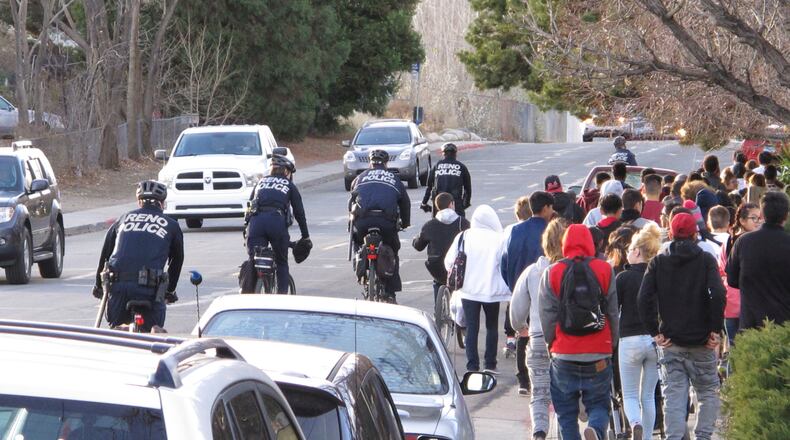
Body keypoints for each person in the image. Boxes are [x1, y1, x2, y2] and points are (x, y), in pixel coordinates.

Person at [638, 213, 726, 440]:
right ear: (695, 233)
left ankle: (674, 437)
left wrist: (654, 332)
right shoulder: (705, 260)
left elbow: (643, 298)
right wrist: (715, 330)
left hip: (671, 340)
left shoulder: (659, 261)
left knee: (674, 395)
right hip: (703, 340)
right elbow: (718, 293)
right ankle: (703, 436)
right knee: (707, 392)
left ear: (670, 231)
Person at [539, 224, 619, 440]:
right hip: (598, 352)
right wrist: (611, 345)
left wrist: (551, 342)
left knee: (566, 413)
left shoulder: (552, 272)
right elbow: (612, 311)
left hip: (564, 353)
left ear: (564, 244)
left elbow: (547, 314)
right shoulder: (604, 269)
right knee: (599, 404)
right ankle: (595, 429)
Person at [93, 181, 183, 331]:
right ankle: (153, 334)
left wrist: (98, 287)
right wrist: (169, 291)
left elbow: (105, 256)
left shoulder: (123, 219)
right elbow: (177, 260)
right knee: (154, 331)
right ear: (162, 203)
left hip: (118, 287)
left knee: (115, 329)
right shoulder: (171, 225)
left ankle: (118, 332)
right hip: (150, 289)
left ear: (139, 202)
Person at [510, 218, 569, 439]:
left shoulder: (532, 272)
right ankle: (564, 431)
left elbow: (516, 309)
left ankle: (539, 432)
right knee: (564, 393)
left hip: (536, 337)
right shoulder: (570, 271)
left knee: (540, 392)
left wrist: (521, 327)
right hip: (564, 342)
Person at [445, 205, 510, 373]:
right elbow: (504, 264)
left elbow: (449, 261)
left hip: (468, 290)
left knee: (472, 327)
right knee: (491, 326)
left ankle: (472, 365)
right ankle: (490, 364)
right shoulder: (499, 239)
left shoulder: (464, 236)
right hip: (491, 291)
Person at [501, 191, 553, 380]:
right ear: (546, 208)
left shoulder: (516, 230)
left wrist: (512, 285)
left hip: (519, 284)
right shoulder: (550, 230)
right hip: (544, 286)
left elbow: (504, 261)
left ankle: (523, 378)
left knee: (523, 331)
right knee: (540, 330)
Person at [616, 224, 661, 440]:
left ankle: (635, 424)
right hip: (654, 339)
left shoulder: (623, 278)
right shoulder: (658, 276)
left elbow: (613, 310)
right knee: (648, 395)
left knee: (630, 394)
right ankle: (648, 437)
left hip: (629, 339)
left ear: (636, 251)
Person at [350, 149, 410, 302]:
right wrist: (405, 222)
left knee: (357, 242)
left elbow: (352, 201)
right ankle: (390, 292)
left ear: (370, 162)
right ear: (386, 163)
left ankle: (360, 268)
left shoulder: (359, 178)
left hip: (363, 221)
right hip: (386, 222)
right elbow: (405, 203)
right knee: (393, 249)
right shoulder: (394, 179)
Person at [245, 156, 310, 294]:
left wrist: (246, 227)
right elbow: (299, 212)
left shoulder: (261, 182)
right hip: (276, 221)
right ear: (287, 172)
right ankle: (281, 298)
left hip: (256, 223)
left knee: (254, 259)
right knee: (281, 262)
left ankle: (247, 294)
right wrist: (305, 236)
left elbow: (250, 205)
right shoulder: (289, 185)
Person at [727, 192, 790, 330]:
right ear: (786, 215)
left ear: (762, 215)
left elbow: (731, 279)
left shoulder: (743, 241)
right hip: (784, 326)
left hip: (751, 322)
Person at [412, 192, 470, 305]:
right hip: (456, 266)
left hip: (436, 266)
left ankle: (437, 309)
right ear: (451, 204)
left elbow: (418, 246)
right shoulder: (463, 223)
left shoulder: (430, 225)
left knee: (437, 282)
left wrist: (416, 239)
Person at [717, 203, 758, 346]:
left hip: (731, 303)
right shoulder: (737, 241)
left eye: (760, 218)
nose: (758, 222)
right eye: (754, 218)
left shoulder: (729, 241)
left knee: (735, 348)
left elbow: (721, 270)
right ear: (742, 220)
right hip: (746, 303)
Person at [502, 195, 532, 363]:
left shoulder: (510, 230)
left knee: (512, 307)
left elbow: (503, 255)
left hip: (514, 275)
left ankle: (511, 338)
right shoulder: (535, 229)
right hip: (531, 274)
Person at [421, 143, 472, 216]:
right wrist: (464, 204)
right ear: (455, 154)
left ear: (443, 154)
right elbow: (468, 189)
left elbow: (429, 186)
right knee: (460, 225)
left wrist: (424, 203)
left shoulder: (437, 166)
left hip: (439, 204)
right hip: (455, 204)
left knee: (437, 225)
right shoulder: (462, 167)